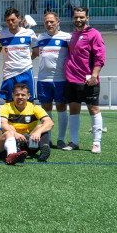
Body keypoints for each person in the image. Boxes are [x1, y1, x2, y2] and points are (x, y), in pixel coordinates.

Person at [63, 6, 106, 154]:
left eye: (81, 17)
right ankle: (74, 141)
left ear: (87, 18)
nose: (78, 20)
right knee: (74, 111)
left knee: (93, 110)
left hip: (88, 81)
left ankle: (96, 143)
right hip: (72, 80)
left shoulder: (94, 34)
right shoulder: (74, 34)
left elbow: (100, 58)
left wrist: (94, 76)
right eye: (76, 17)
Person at [37, 12, 71, 148]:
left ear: (58, 22)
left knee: (61, 107)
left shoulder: (67, 37)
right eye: (46, 22)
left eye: (51, 21)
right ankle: (48, 139)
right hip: (43, 79)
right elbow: (33, 53)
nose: (49, 24)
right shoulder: (40, 37)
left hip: (60, 79)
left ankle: (61, 139)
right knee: (46, 109)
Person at [0, 83, 54, 163]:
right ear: (12, 95)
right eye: (17, 95)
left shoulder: (34, 107)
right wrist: (15, 134)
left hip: (31, 141)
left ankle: (44, 150)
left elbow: (50, 123)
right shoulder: (6, 107)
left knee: (41, 127)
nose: (20, 97)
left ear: (28, 96)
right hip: (14, 139)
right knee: (10, 128)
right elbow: (2, 123)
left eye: (23, 95)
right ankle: (16, 151)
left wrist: (38, 132)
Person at [0, 8, 38, 101]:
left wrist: (27, 59)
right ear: (5, 21)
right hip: (9, 73)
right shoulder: (1, 35)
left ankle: (28, 116)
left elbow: (36, 51)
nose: (11, 23)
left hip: (25, 71)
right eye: (8, 20)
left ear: (19, 19)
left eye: (13, 20)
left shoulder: (29, 33)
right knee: (9, 101)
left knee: (28, 101)